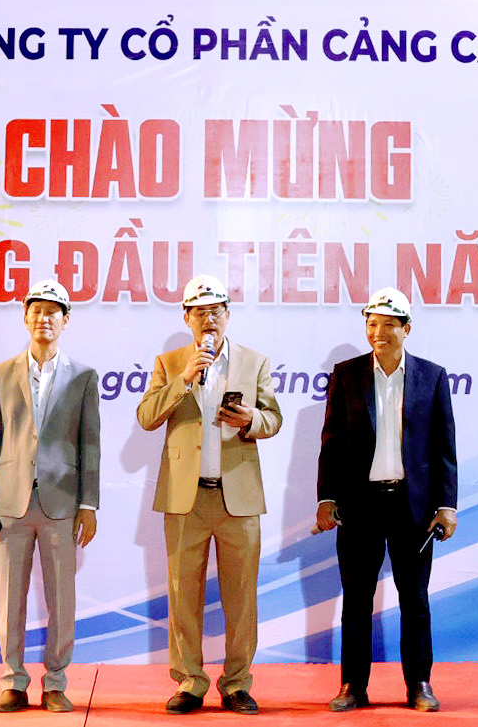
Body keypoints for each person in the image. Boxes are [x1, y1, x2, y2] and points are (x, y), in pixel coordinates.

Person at [137, 275, 281, 715]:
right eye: (200, 312)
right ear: (187, 318)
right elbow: (146, 417)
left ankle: (237, 683)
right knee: (183, 595)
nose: (209, 319)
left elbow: (273, 419)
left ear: (228, 315)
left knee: (242, 597)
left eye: (216, 310)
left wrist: (251, 419)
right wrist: (184, 379)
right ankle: (190, 681)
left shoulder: (254, 361)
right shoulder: (170, 363)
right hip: (186, 499)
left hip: (238, 497)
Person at [315, 288, 457, 713]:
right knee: (356, 601)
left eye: (388, 324)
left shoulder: (432, 376)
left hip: (413, 508)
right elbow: (332, 444)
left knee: (415, 599)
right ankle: (352, 686)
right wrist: (326, 498)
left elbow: (444, 447)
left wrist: (447, 505)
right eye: (371, 323)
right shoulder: (347, 375)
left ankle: (420, 684)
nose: (378, 332)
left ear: (406, 328)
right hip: (360, 507)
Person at [0, 279, 101, 713]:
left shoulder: (83, 377)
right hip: (11, 505)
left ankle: (56, 682)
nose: (44, 318)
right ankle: (13, 681)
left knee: (62, 600)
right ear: (25, 317)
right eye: (37, 311)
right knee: (10, 600)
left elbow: (90, 445)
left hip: (62, 505)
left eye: (52, 312)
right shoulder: (1, 373)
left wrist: (88, 505)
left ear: (66, 320)